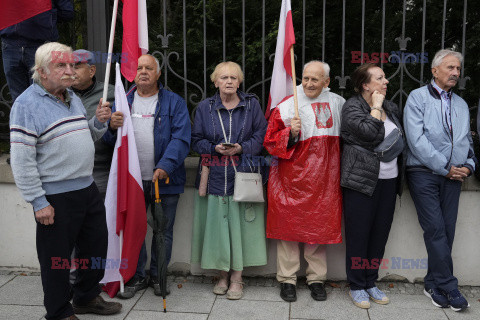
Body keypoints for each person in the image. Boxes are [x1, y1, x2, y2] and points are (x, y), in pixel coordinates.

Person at [9, 42, 121, 320]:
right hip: (55, 197)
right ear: (42, 71)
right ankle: (59, 312)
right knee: (56, 260)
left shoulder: (71, 97)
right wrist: (38, 202)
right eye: (62, 65)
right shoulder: (26, 104)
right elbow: (22, 160)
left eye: (73, 65)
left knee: (96, 246)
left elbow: (85, 139)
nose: (71, 71)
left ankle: (85, 297)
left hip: (87, 187)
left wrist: (98, 123)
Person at [104, 54, 191, 298]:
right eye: (139, 68)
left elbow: (182, 138)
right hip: (131, 180)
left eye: (148, 68)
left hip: (164, 179)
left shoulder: (174, 102)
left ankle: (158, 276)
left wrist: (165, 165)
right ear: (133, 74)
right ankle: (137, 276)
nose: (143, 71)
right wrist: (111, 126)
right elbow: (109, 141)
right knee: (134, 230)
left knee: (163, 231)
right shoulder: (122, 101)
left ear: (158, 73)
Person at [264, 61, 344, 302]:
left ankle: (316, 279)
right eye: (306, 78)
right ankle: (287, 280)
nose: (308, 83)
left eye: (315, 79)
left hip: (325, 180)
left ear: (326, 82)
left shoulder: (339, 103)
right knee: (288, 233)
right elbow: (269, 143)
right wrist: (290, 133)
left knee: (317, 234)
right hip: (291, 181)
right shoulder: (288, 105)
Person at [404, 49, 474, 312]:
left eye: (458, 68)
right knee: (435, 229)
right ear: (434, 71)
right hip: (424, 173)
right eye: (450, 68)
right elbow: (416, 140)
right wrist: (445, 167)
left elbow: (466, 141)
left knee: (447, 230)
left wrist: (469, 165)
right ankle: (450, 285)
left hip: (454, 176)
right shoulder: (417, 98)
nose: (455, 73)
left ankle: (432, 282)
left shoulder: (461, 104)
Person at [190, 61, 268, 300]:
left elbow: (262, 135)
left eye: (234, 77)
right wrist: (213, 148)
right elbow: (195, 140)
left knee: (239, 229)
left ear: (240, 81)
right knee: (218, 230)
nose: (229, 82)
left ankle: (237, 278)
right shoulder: (205, 107)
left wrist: (241, 148)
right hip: (214, 176)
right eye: (224, 78)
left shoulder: (251, 104)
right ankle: (222, 275)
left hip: (243, 176)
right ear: (215, 82)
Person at [341, 63, 406, 309]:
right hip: (360, 181)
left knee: (379, 234)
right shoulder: (352, 107)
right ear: (365, 85)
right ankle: (357, 285)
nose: (386, 81)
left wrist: (381, 106)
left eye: (385, 77)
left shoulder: (392, 107)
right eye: (380, 78)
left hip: (389, 181)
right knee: (359, 235)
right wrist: (376, 106)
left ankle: (370, 281)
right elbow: (369, 133)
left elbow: (399, 139)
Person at [1, 0, 73, 101]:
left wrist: (46, 17)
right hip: (10, 44)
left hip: (39, 45)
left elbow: (67, 12)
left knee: (45, 97)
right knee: (19, 100)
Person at [72, 49, 115, 198]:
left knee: (101, 220)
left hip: (100, 172)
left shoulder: (110, 94)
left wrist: (112, 125)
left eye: (77, 67)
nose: (71, 71)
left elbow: (123, 132)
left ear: (91, 71)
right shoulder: (60, 95)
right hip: (69, 174)